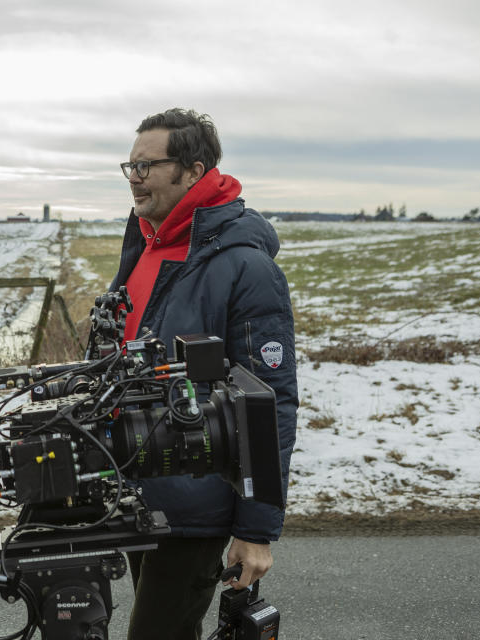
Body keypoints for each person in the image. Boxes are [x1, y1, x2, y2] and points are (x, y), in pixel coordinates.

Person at [112, 109, 298, 640]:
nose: (135, 177)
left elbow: (272, 399)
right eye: (129, 165)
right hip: (141, 487)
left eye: (148, 165)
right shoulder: (149, 245)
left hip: (197, 502)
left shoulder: (245, 266)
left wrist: (255, 529)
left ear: (194, 171)